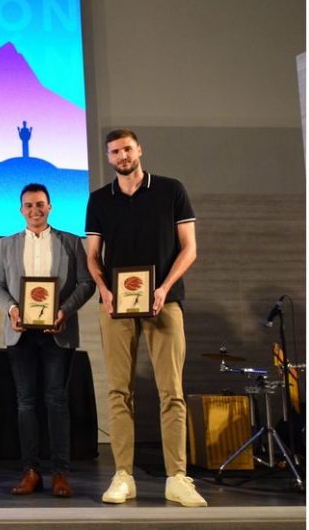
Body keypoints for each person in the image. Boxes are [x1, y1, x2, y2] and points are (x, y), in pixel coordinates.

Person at [85, 129, 206, 507]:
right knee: (119, 391)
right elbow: (93, 255)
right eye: (114, 152)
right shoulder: (99, 199)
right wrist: (105, 291)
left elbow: (189, 249)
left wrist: (164, 288)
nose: (122, 156)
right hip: (116, 307)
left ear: (139, 150)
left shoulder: (171, 190)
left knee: (172, 392)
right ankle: (124, 476)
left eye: (127, 149)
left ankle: (177, 477)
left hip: (164, 302)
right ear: (108, 158)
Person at [0, 183, 95, 497]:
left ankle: (61, 473)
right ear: (21, 210)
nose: (34, 210)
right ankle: (31, 471)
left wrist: (64, 310)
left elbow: (87, 283)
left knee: (57, 403)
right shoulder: (7, 244)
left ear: (50, 207)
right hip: (20, 334)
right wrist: (11, 309)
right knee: (25, 404)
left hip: (58, 333)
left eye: (40, 205)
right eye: (28, 205)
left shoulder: (72, 242)